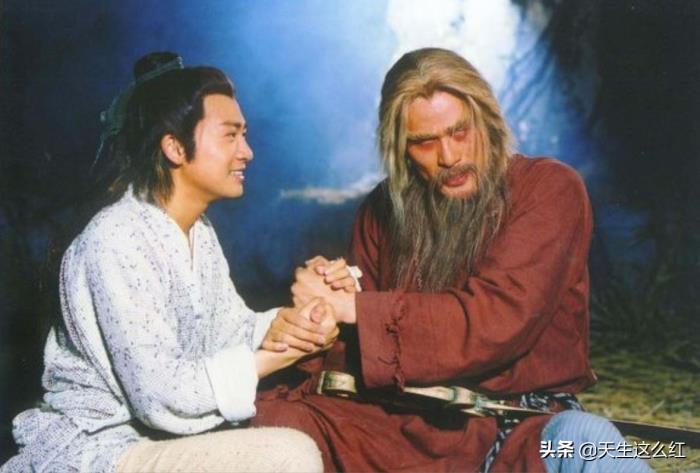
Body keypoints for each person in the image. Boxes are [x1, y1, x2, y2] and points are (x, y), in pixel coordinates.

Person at [252, 48, 652, 472]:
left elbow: (495, 319)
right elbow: (362, 348)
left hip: (517, 426)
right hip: (405, 426)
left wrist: (354, 308)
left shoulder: (549, 188)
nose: (449, 156)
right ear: (401, 148)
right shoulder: (381, 210)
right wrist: (321, 314)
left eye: (460, 132)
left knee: (586, 440)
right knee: (270, 420)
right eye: (425, 142)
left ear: (487, 122)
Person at [0, 52, 356, 473]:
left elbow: (229, 330)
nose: (247, 152)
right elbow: (161, 396)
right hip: (99, 450)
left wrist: (296, 320)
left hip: (151, 442)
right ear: (174, 147)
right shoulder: (116, 237)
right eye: (230, 136)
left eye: (244, 135)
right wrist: (276, 356)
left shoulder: (197, 232)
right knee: (287, 455)